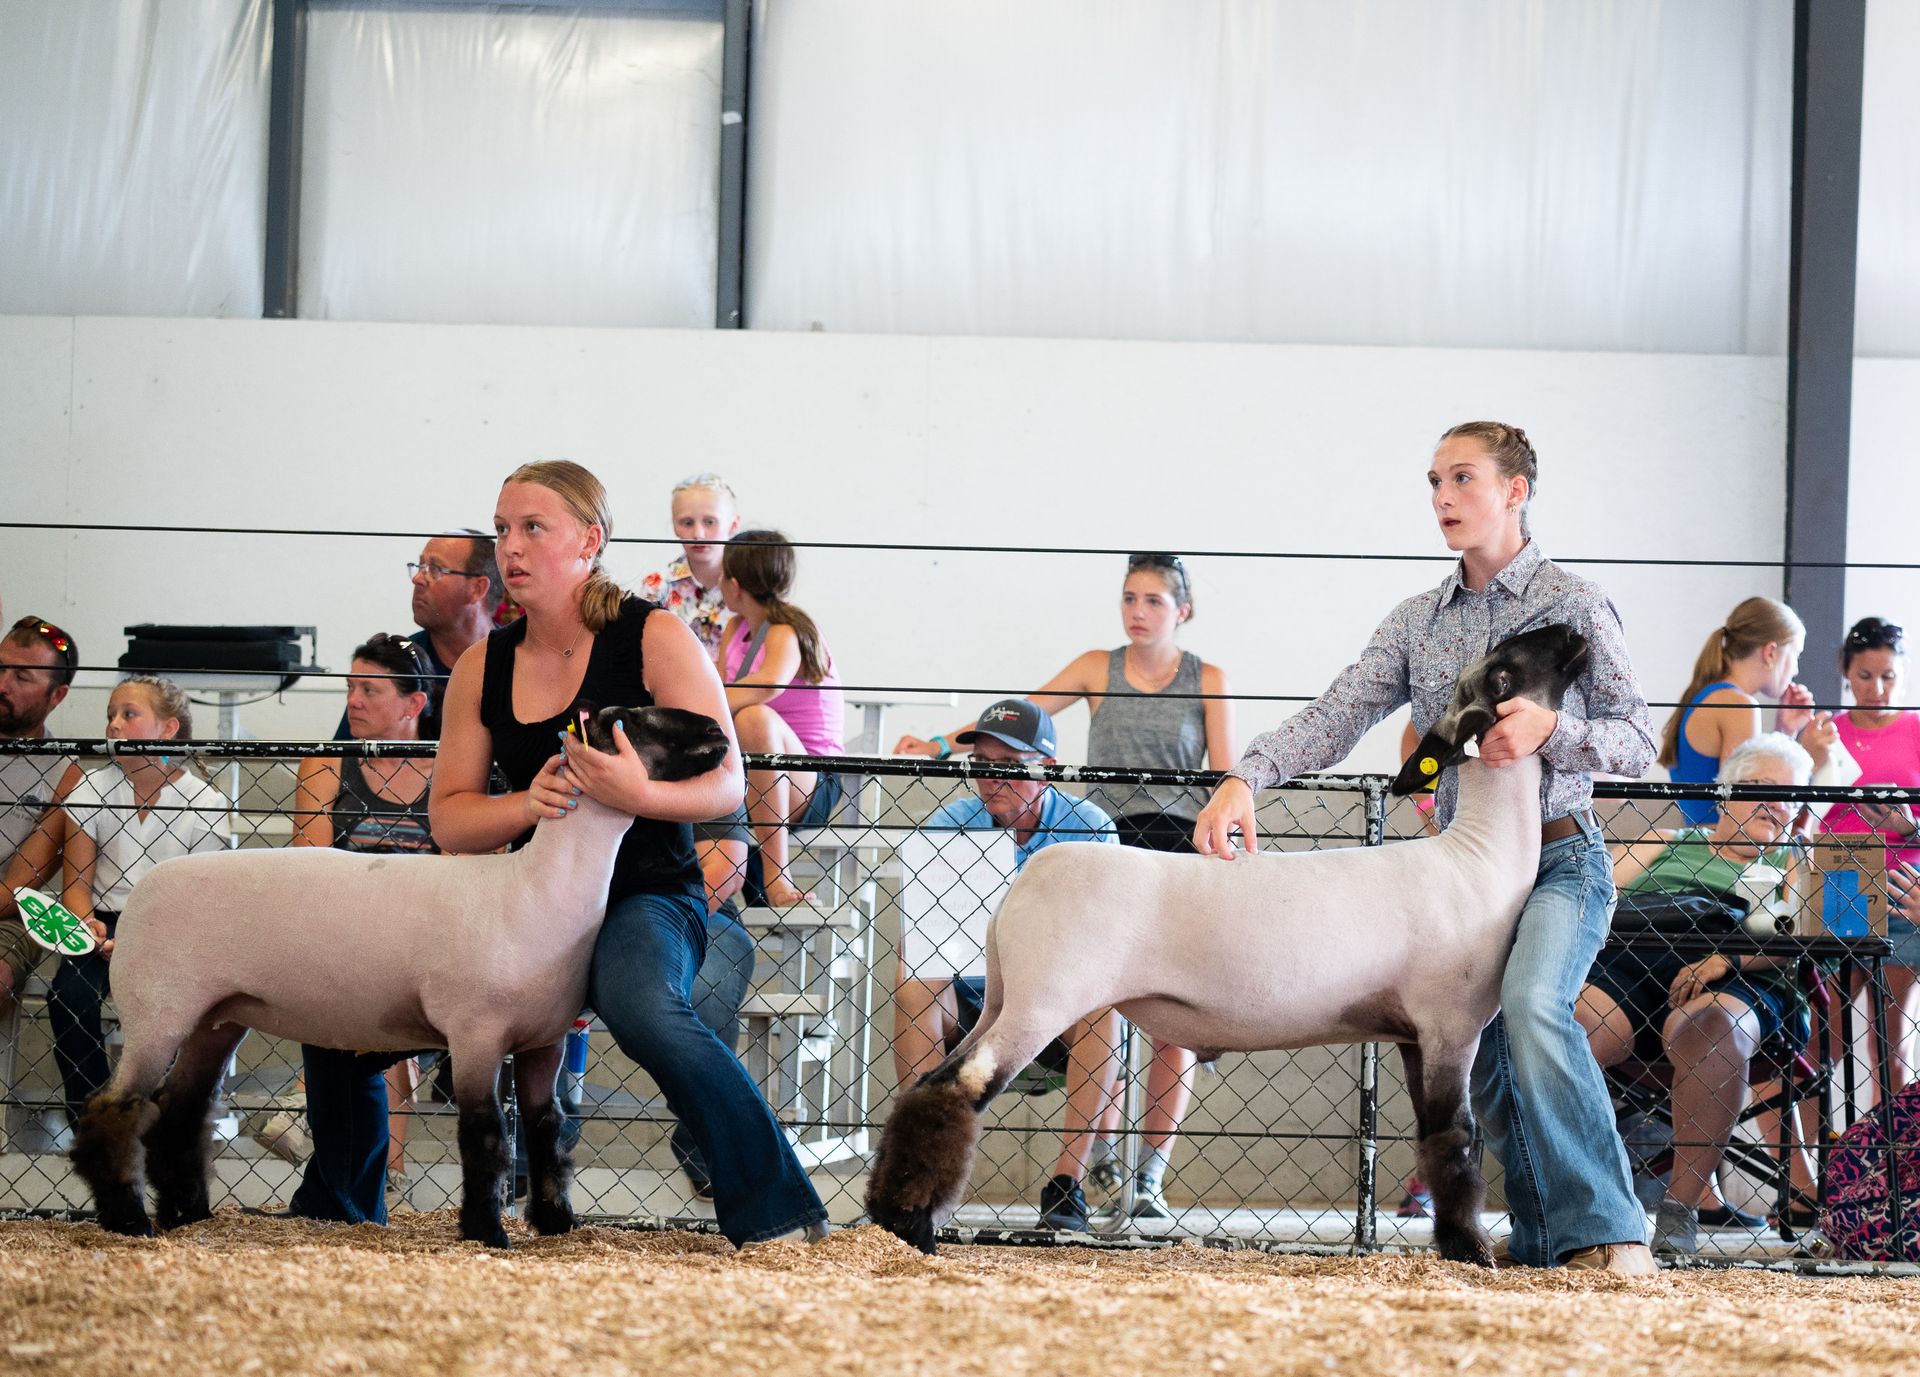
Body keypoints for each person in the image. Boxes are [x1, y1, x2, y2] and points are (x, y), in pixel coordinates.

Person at [1192, 420, 1660, 1274]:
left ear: (1515, 490)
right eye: (1435, 481)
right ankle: (1548, 1239)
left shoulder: (1575, 602)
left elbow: (1639, 739)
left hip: (1562, 857)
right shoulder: (1417, 620)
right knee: (1481, 1058)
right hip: (1458, 874)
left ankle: (1613, 1231)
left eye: (1463, 478)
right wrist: (1245, 776)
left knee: (1534, 1004)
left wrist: (1553, 729)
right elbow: (1338, 714)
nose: (1443, 497)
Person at [432, 459, 827, 1247]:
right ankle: (348, 1195)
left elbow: (727, 782)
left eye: (533, 527)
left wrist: (636, 792)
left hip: (647, 891)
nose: (511, 546)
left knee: (642, 1003)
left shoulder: (653, 635)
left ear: (589, 540)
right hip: (531, 901)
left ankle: (780, 1211)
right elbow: (450, 818)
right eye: (503, 529)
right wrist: (527, 803)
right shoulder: (483, 663)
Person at [896, 553, 1234, 1220]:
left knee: (1168, 1016)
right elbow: (1021, 717)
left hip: (1170, 845)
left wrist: (1225, 848)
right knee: (943, 977)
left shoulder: (1208, 679)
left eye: (1153, 600)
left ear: (1182, 610)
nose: (1138, 611)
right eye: (1129, 597)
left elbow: (1223, 775)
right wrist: (939, 743)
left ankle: (1145, 1177)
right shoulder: (1096, 668)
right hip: (1100, 837)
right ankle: (1074, 1161)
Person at [1577, 733, 1820, 1256]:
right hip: (1632, 962)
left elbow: (1805, 936)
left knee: (1713, 1027)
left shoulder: (1795, 864)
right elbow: (1587, 897)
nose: (1775, 805)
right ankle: (1578, 1201)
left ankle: (1678, 1212)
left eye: (1789, 797)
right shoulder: (1664, 841)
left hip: (1743, 976)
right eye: (1761, 787)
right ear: (1725, 792)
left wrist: (1726, 959)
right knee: (1571, 1027)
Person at [891, 698, 1120, 1231]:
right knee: (913, 983)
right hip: (975, 1000)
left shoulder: (1089, 829)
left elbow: (1106, 945)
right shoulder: (949, 826)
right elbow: (924, 937)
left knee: (1104, 1004)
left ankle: (1067, 1186)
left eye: (1010, 766)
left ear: (1047, 769)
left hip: (1059, 1007)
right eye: (982, 764)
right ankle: (924, 1180)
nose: (992, 779)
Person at [284, 634, 439, 1219]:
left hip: (429, 943)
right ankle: (348, 1202)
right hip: (344, 934)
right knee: (338, 1006)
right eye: (350, 687)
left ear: (414, 703)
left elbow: (466, 874)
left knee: (360, 1027)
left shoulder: (453, 769)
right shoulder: (327, 764)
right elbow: (312, 870)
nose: (353, 700)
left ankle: (340, 1201)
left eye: (370, 690)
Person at [53, 676, 231, 1124]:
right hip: (102, 921)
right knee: (68, 996)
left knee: (173, 1009)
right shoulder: (92, 788)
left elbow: (201, 900)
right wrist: (87, 924)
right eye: (110, 715)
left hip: (171, 926)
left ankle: (164, 1116)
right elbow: (77, 884)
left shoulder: (204, 801)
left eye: (129, 715)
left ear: (168, 729)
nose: (114, 724)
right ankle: (95, 1117)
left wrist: (145, 941)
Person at [716, 530, 846, 908]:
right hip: (749, 771)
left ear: (734, 585)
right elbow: (722, 692)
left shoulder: (788, 631)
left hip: (811, 778)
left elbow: (767, 685)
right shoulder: (735, 629)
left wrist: (700, 704)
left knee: (754, 718)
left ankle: (777, 877)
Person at [1821, 617, 1920, 1097]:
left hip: (1903, 887)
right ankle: (1821, 1142)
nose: (1878, 689)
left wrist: (1909, 827)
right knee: (1825, 1038)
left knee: (1889, 1039)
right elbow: (1795, 815)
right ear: (1845, 671)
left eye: (1888, 677)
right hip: (1838, 880)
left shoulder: (1917, 729)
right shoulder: (1826, 733)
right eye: (1865, 676)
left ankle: (1889, 1144)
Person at [1659, 597, 1827, 825]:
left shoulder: (1708, 695)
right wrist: (1809, 758)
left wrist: (1785, 731)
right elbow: (1746, 810)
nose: (1796, 670)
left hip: (1702, 841)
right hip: (1722, 845)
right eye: (1796, 655)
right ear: (1770, 653)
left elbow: (1752, 783)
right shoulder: (1739, 706)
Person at [331, 530, 500, 740]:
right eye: (420, 567)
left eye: (435, 569)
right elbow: (336, 754)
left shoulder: (521, 658)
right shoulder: (402, 662)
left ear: (477, 588)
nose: (418, 579)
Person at [1, 617, 83, 1022]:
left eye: (22, 677)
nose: (2, 684)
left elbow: (16, 886)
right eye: (0, 668)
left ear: (57, 695)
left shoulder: (66, 775)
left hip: (7, 914)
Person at [640, 473, 740, 654]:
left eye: (710, 522)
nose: (698, 534)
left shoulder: (752, 585)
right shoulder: (657, 587)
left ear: (733, 525)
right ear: (674, 526)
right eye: (687, 523)